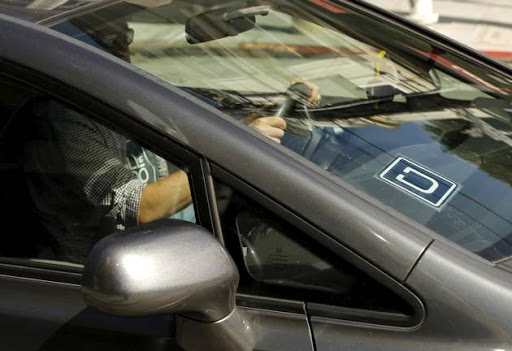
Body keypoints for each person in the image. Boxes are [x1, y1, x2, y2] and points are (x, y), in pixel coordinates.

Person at [23, 19, 288, 264]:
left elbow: (202, 121)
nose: (122, 46)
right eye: (104, 39)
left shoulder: (123, 91)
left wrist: (260, 112)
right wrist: (234, 153)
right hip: (117, 276)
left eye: (125, 35)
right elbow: (140, 208)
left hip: (178, 244)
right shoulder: (63, 116)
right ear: (75, 49)